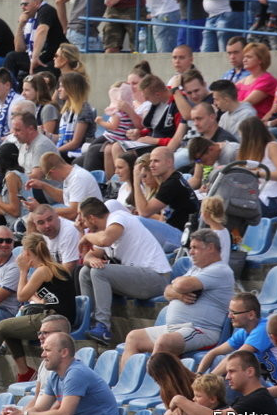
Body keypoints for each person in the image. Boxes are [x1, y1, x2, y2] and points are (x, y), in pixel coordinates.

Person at [121, 228, 234, 368]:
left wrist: (177, 285)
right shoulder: (196, 269)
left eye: (195, 248)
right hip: (176, 329)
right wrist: (178, 294)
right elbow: (167, 292)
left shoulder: (220, 270)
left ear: (210, 248)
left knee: (164, 341)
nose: (191, 252)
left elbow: (180, 285)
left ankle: (152, 380)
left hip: (201, 330)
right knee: (133, 337)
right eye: (190, 248)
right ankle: (126, 379)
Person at [78, 197, 173, 346]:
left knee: (99, 272)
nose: (84, 225)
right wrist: (91, 260)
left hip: (156, 277)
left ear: (91, 218)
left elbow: (105, 240)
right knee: (85, 271)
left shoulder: (118, 217)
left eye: (84, 221)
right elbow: (89, 256)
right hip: (139, 278)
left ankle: (103, 326)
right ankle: (89, 322)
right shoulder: (103, 231)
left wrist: (86, 236)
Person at [1, 332, 119, 415]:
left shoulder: (76, 373)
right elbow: (39, 408)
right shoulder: (55, 375)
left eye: (47, 350)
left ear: (63, 353)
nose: (42, 355)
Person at [168, 351, 277, 415]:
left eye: (232, 371)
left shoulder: (258, 400)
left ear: (249, 372)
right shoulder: (249, 398)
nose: (227, 377)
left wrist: (179, 400)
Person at [197, 293, 277, 385]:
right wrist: (199, 374)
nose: (229, 316)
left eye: (234, 312)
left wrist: (208, 380)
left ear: (251, 315)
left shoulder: (264, 329)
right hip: (272, 384)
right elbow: (214, 352)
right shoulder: (244, 332)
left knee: (238, 370)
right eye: (229, 312)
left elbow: (236, 357)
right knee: (219, 359)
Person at [133, 146, 200, 231]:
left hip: (182, 233)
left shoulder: (171, 184)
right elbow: (163, 216)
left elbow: (144, 212)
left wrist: (136, 180)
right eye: (151, 161)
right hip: (179, 229)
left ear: (169, 162)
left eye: (156, 161)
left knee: (136, 221)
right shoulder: (174, 178)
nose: (151, 165)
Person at [7, 0, 67, 81]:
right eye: (21, 5)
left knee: (34, 78)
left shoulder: (46, 10)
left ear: (36, 3)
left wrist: (35, 57)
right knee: (11, 57)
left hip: (54, 58)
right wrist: (21, 25)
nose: (23, 7)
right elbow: (19, 49)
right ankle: (8, 86)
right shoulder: (30, 18)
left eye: (25, 4)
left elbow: (42, 30)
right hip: (40, 58)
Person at [237, 116, 277, 217]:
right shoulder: (255, 152)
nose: (241, 141)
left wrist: (257, 173)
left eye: (243, 137)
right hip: (262, 195)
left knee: (238, 212)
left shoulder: (273, 147)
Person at [26, 152, 102, 221]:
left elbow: (73, 213)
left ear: (53, 172)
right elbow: (66, 198)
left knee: (34, 219)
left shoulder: (78, 178)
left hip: (90, 221)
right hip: (83, 219)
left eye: (48, 177)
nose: (51, 179)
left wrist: (40, 209)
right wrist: (43, 186)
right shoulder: (70, 176)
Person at [235, 42, 277, 119]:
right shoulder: (244, 80)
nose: (244, 60)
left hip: (258, 122)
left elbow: (246, 103)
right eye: (244, 57)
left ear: (260, 60)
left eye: (249, 57)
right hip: (240, 119)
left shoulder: (267, 80)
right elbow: (228, 92)